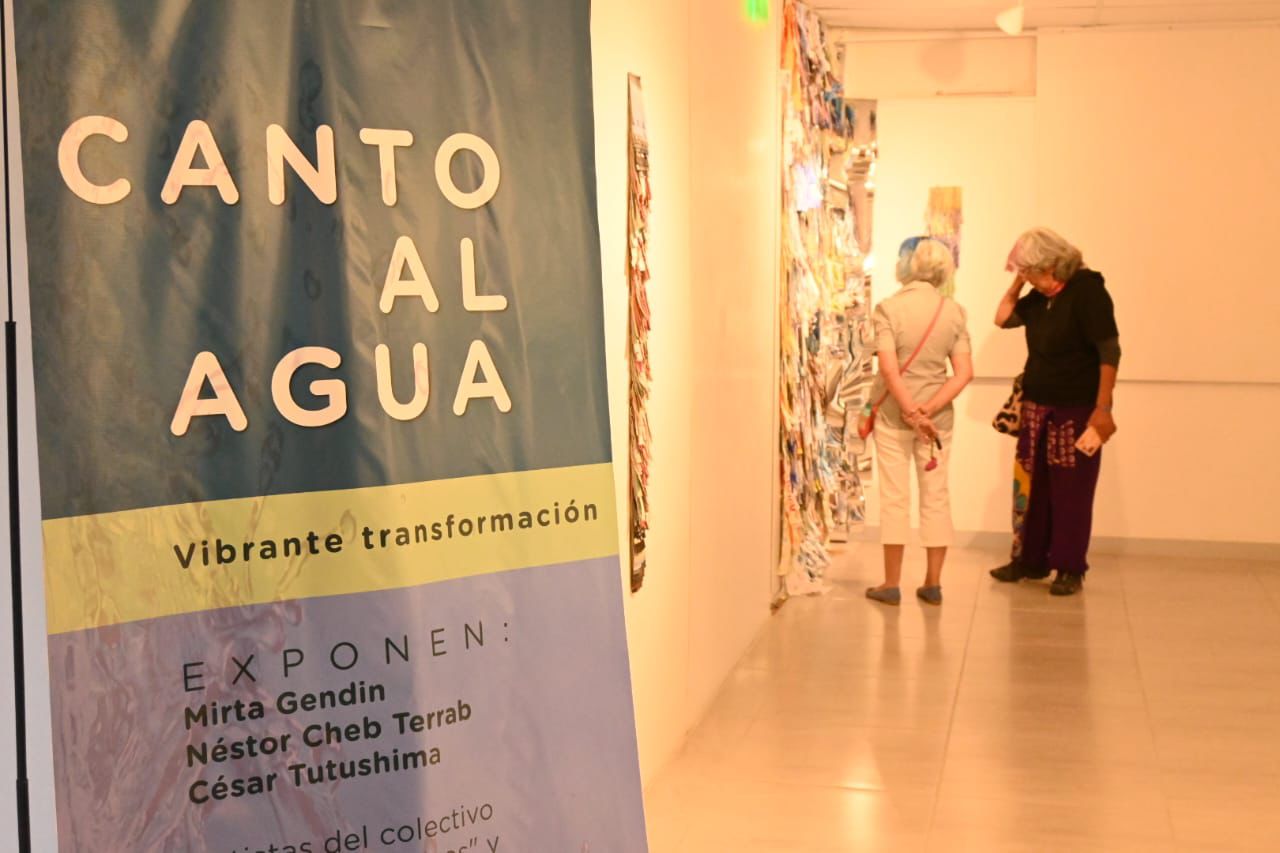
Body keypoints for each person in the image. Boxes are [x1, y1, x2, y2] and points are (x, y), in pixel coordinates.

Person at [990, 227, 1120, 596]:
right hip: (1037, 404)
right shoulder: (1039, 295)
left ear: (1050, 265)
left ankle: (1069, 567)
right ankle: (1029, 560)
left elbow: (1110, 351)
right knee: (1031, 487)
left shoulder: (1088, 292)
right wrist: (1018, 282)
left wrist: (1103, 407)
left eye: (1030, 271)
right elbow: (1002, 318)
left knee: (1072, 491)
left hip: (1075, 409)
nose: (1028, 278)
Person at [865, 238, 973, 606]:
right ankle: (933, 584)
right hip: (936, 422)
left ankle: (891, 583)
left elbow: (889, 369)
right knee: (936, 497)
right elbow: (964, 373)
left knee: (894, 498)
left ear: (908, 264)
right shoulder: (954, 313)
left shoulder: (888, 309)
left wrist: (910, 411)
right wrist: (928, 410)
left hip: (895, 417)